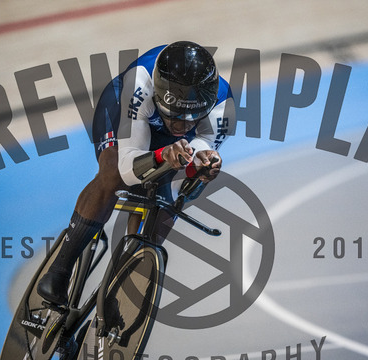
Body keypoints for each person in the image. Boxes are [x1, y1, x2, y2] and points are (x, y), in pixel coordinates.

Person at [37, 41, 235, 306]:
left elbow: (194, 163)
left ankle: (129, 280)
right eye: (175, 116)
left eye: (191, 118)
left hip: (163, 126)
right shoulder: (140, 82)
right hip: (128, 111)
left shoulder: (223, 106)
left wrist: (200, 168)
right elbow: (128, 170)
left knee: (169, 199)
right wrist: (162, 155)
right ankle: (60, 270)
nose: (181, 126)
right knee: (112, 173)